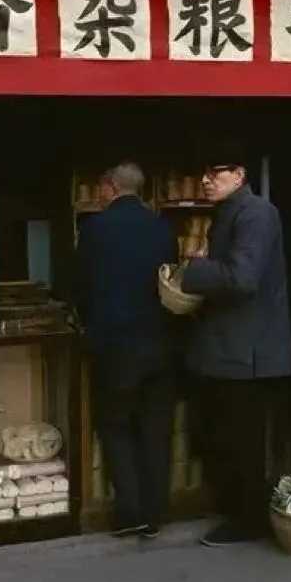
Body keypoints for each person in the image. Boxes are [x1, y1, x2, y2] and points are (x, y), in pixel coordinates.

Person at [179, 142, 291, 546]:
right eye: (204, 173)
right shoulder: (232, 211)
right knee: (223, 435)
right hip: (228, 347)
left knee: (242, 440)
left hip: (247, 351)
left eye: (216, 172)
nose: (206, 180)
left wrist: (195, 271)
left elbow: (243, 277)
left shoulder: (256, 213)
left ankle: (249, 520)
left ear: (240, 175)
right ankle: (238, 511)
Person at [75, 161, 178, 539]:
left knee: (116, 427)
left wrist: (87, 320)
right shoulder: (164, 229)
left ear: (109, 187)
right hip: (160, 343)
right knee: (155, 429)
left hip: (114, 345)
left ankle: (130, 511)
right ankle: (154, 514)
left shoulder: (94, 230)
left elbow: (81, 287)